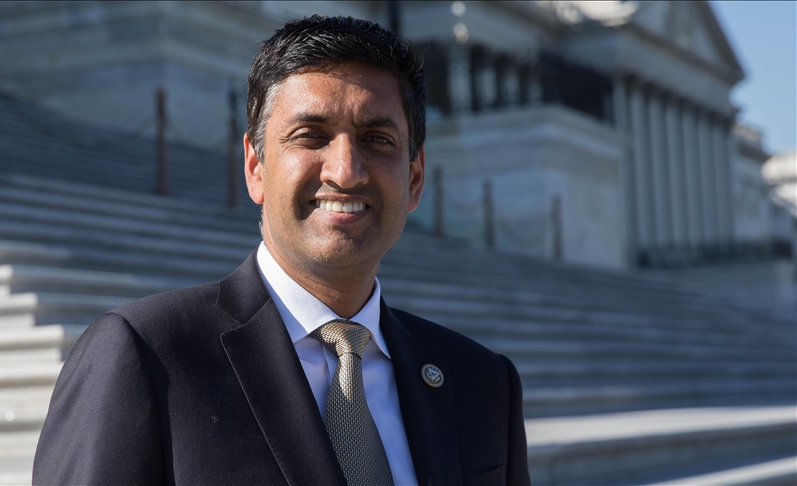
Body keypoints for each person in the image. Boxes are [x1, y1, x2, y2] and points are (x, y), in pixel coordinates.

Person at [33, 14, 529, 486]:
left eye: (377, 139)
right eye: (310, 136)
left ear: (415, 179)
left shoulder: (482, 383)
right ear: (255, 167)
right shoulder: (148, 357)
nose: (345, 171)